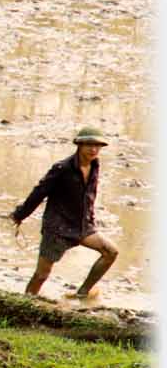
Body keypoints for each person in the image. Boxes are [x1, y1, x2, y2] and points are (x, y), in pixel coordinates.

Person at [10, 126, 118, 303]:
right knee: (42, 274)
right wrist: (20, 215)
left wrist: (90, 220)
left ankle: (82, 293)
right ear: (79, 145)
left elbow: (89, 196)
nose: (93, 150)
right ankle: (25, 304)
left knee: (111, 252)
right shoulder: (62, 168)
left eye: (97, 146)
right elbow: (39, 192)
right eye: (89, 145)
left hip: (82, 227)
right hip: (58, 228)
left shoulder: (95, 165)